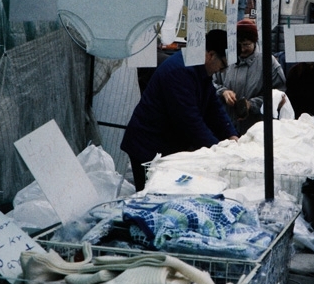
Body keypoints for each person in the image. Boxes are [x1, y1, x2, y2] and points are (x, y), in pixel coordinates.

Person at [121, 29, 239, 191]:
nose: (222, 71)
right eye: (223, 65)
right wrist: (216, 150)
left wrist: (230, 134)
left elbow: (213, 107)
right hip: (148, 148)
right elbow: (189, 120)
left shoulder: (199, 68)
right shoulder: (180, 71)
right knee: (152, 197)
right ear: (210, 55)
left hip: (167, 146)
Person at [212, 19, 287, 135]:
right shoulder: (225, 58)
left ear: (255, 42)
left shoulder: (268, 62)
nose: (242, 49)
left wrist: (251, 104)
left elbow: (278, 94)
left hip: (256, 130)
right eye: (238, 45)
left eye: (246, 45)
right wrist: (223, 92)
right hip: (226, 127)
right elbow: (212, 82)